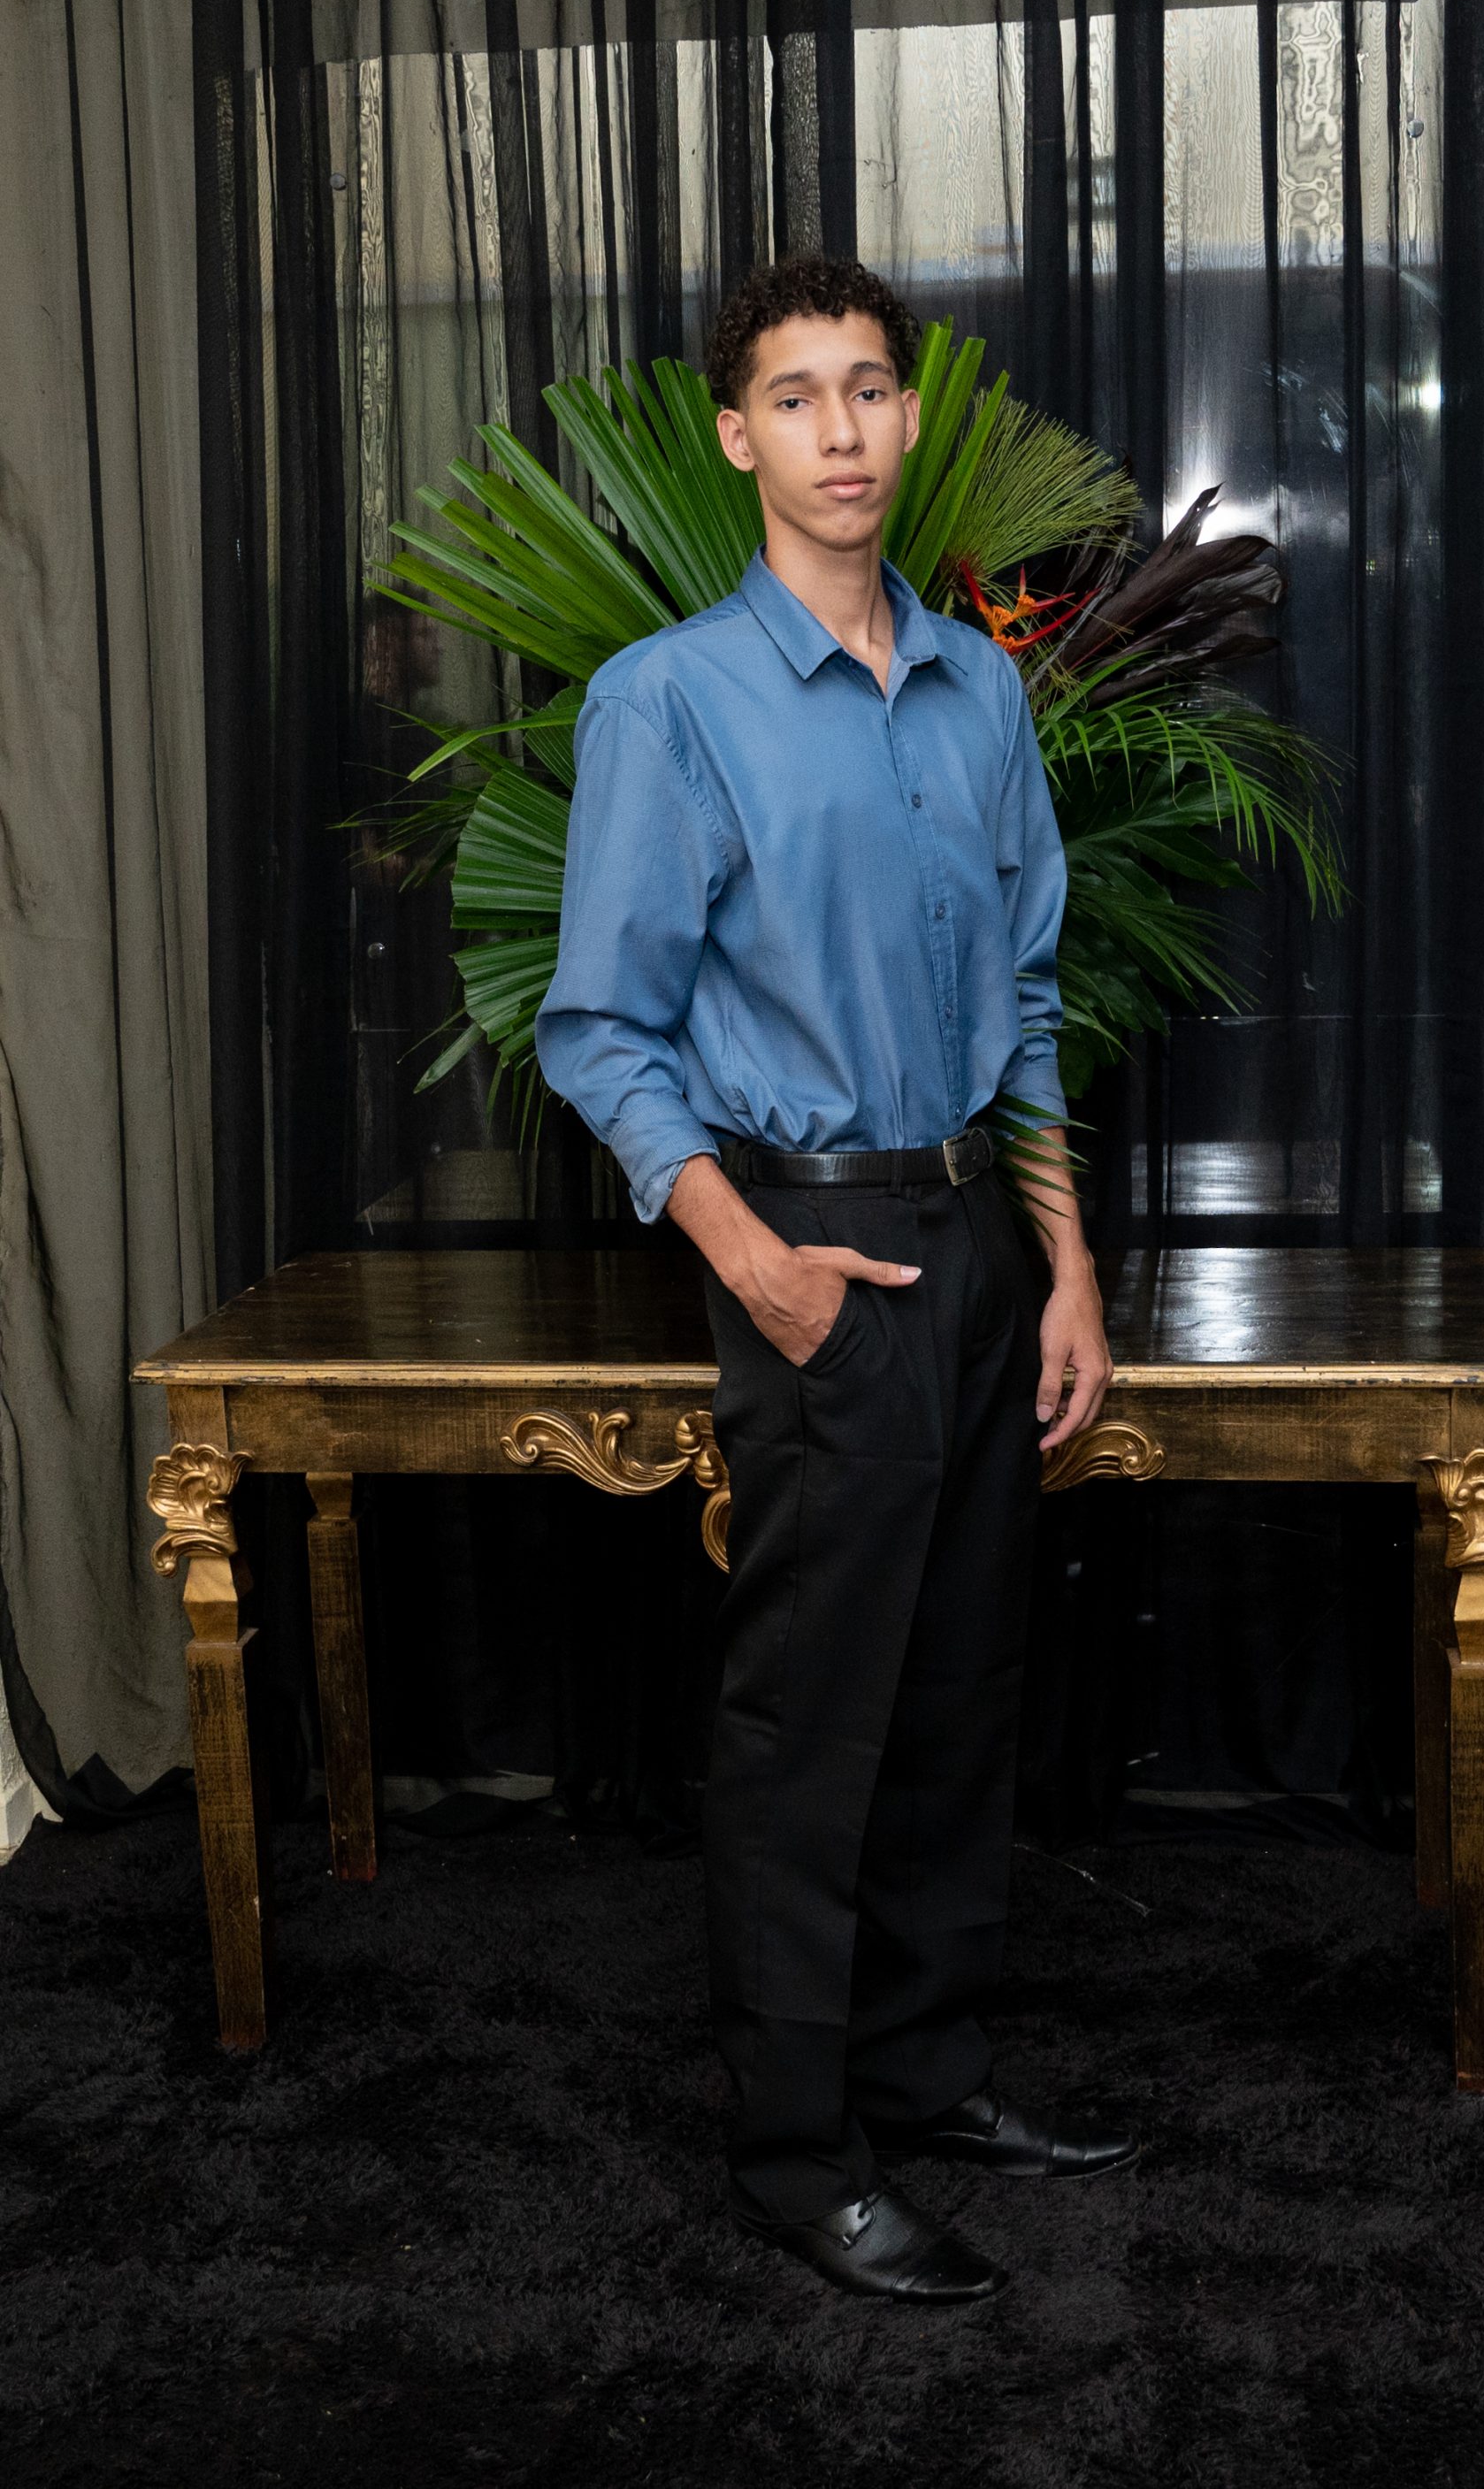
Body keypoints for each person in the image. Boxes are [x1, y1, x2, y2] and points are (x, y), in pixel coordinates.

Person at [535, 255, 1133, 2304]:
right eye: (795, 397)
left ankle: (929, 2075)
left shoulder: (979, 691)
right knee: (813, 1716)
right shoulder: (671, 701)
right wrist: (760, 1268)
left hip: (980, 1242)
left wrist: (1066, 1267)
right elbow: (602, 1029)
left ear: (910, 414)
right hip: (811, 1245)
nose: (843, 430)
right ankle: (799, 2151)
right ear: (738, 439)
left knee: (962, 1685)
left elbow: (1030, 1001)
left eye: (869, 387)